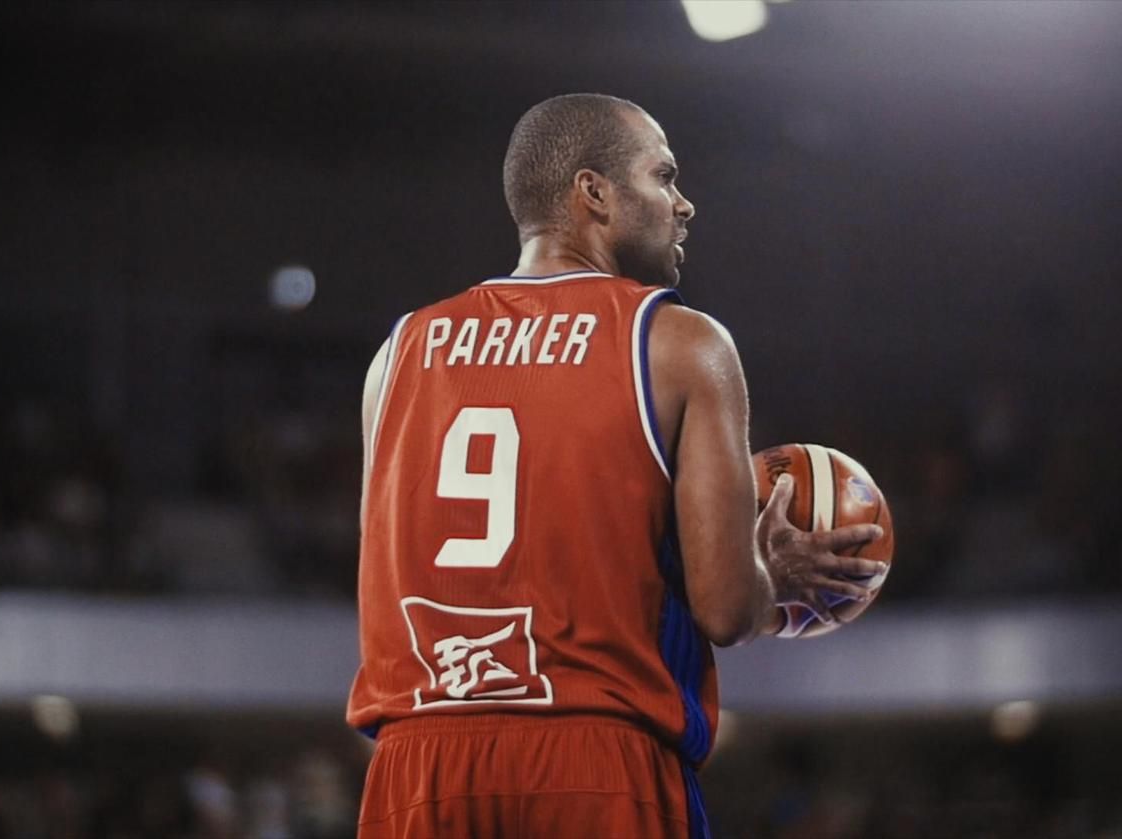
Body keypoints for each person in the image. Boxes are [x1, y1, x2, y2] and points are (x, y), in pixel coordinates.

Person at [346, 93, 885, 839]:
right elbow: (726, 608)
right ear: (593, 193)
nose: (685, 203)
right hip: (595, 754)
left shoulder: (397, 353)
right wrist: (773, 577)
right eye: (663, 176)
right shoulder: (679, 341)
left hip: (420, 768)